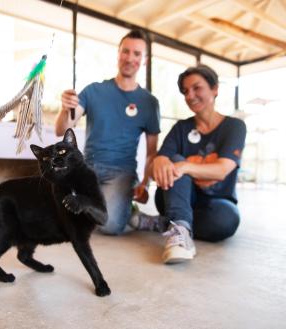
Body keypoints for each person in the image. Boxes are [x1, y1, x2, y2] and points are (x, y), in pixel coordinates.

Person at [55, 30, 160, 235]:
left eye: (137, 54)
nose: (130, 58)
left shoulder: (149, 103)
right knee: (60, 212)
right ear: (118, 54)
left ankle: (126, 208)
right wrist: (65, 107)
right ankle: (124, 211)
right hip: (87, 168)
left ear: (144, 60)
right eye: (126, 52)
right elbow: (62, 129)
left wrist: (145, 184)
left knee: (109, 225)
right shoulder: (93, 91)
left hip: (121, 172)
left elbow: (152, 153)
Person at [138, 64, 246, 264]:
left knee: (226, 221)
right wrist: (160, 161)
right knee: (174, 160)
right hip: (175, 197)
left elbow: (222, 169)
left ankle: (163, 224)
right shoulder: (181, 128)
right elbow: (159, 162)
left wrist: (185, 166)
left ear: (214, 89)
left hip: (215, 203)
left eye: (197, 88)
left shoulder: (234, 127)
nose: (190, 95)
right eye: (186, 91)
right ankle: (180, 232)